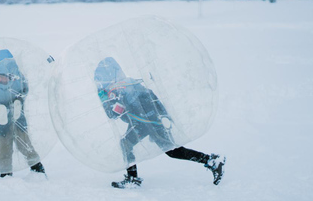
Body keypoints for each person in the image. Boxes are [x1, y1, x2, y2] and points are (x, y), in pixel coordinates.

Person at [94, 57, 225, 189]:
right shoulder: (128, 82)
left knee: (172, 151)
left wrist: (105, 100)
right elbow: (150, 96)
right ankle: (211, 161)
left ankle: (212, 161)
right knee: (130, 144)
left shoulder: (117, 90)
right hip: (147, 121)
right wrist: (163, 115)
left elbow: (115, 113)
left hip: (145, 122)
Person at [0, 49, 45, 177]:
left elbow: (25, 89)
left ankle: (36, 165)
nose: (3, 79)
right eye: (0, 76)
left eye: (6, 76)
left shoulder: (17, 81)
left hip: (17, 118)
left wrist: (18, 100)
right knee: (3, 149)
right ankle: (6, 172)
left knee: (25, 144)